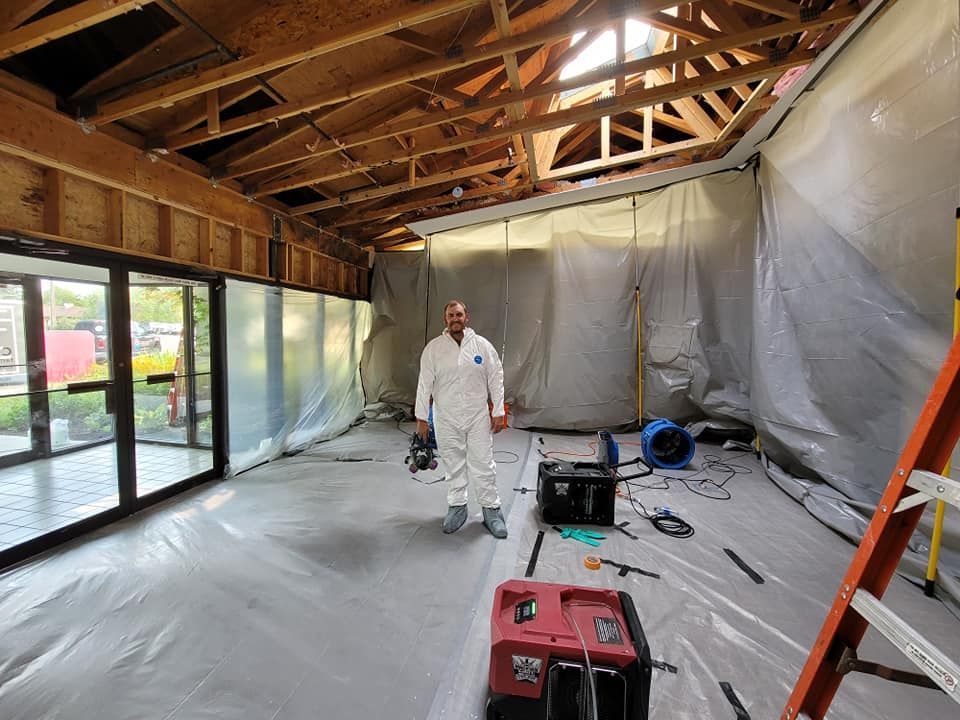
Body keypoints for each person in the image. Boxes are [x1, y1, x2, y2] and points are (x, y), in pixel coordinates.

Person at [415, 299, 507, 538]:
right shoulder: (434, 349)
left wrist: (498, 410)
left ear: (467, 317)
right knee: (453, 463)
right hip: (446, 417)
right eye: (451, 315)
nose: (455, 319)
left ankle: (492, 510)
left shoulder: (482, 346)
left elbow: (496, 377)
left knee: (483, 463)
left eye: (459, 314)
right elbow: (424, 383)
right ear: (445, 319)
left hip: (477, 416)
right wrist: (422, 417)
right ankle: (457, 507)